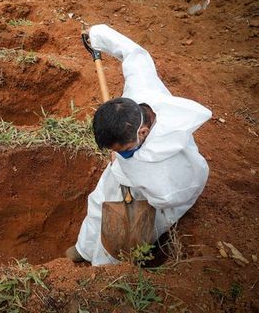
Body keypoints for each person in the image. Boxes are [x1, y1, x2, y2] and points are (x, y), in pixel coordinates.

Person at [65, 24, 212, 265]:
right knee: (98, 199)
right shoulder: (141, 92)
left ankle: (102, 270)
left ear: (142, 132)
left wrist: (130, 191)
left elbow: (162, 200)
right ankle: (84, 248)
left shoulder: (161, 177)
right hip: (131, 174)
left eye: (122, 151)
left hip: (163, 196)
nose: (117, 154)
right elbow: (134, 53)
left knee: (123, 232)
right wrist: (96, 35)